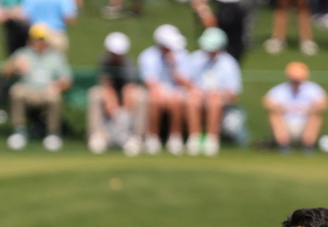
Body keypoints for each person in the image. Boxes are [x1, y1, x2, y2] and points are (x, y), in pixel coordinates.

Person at [3, 22, 71, 151]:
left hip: (46, 92)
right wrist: (14, 66)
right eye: (35, 39)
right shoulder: (23, 53)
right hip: (28, 90)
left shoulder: (55, 57)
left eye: (41, 39)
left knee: (53, 97)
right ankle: (19, 131)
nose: (38, 42)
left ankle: (52, 134)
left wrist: (57, 85)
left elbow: (67, 80)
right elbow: (4, 72)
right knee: (16, 91)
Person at [184, 27, 240, 156]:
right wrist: (195, 90)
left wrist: (218, 93)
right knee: (193, 99)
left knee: (214, 101)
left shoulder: (229, 63)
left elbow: (234, 93)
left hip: (219, 98)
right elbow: (187, 80)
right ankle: (194, 138)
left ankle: (212, 139)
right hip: (198, 95)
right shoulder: (196, 58)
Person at [87, 30, 145, 155]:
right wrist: (111, 104)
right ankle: (97, 136)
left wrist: (124, 113)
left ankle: (136, 138)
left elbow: (129, 88)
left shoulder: (128, 63)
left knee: (141, 96)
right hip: (111, 93)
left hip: (126, 95)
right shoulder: (104, 60)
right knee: (95, 94)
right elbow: (106, 84)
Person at [138, 23, 190, 155]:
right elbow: (150, 82)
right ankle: (152, 137)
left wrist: (173, 66)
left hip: (176, 91)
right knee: (155, 100)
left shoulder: (182, 55)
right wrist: (163, 94)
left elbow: (186, 82)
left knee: (177, 100)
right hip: (157, 92)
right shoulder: (148, 56)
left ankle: (175, 137)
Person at [263, 61, 328, 154]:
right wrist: (279, 108)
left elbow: (324, 104)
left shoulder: (313, 89)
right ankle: (283, 146)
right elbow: (267, 102)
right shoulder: (280, 89)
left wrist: (311, 110)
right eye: (294, 80)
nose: (296, 83)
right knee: (274, 115)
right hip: (286, 125)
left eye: (298, 80)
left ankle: (308, 146)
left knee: (316, 116)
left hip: (305, 125)